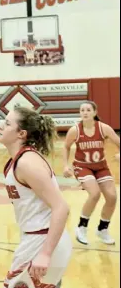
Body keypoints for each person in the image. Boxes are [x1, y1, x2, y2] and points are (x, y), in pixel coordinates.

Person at [0, 106, 72, 288]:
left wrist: (45, 254)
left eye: (7, 123)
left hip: (42, 242)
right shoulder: (19, 160)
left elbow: (61, 207)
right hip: (39, 240)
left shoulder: (27, 162)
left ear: (21, 134)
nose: (0, 126)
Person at [63, 101, 120, 245]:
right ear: (80, 113)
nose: (85, 112)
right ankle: (81, 227)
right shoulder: (75, 130)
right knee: (95, 194)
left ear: (94, 112)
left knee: (112, 197)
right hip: (82, 166)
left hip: (101, 166)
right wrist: (65, 166)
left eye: (88, 110)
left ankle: (102, 229)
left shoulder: (103, 128)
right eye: (82, 110)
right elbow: (66, 147)